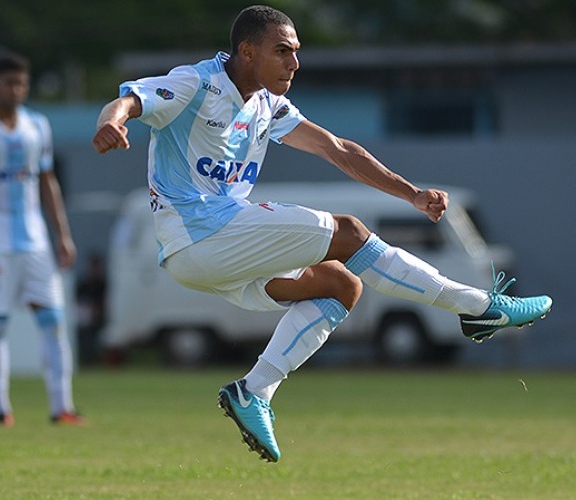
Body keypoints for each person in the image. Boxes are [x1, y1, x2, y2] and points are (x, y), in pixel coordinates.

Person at [92, 5, 551, 462]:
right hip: (200, 236)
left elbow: (338, 150)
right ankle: (477, 307)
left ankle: (254, 391)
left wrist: (411, 195)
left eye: (296, 51)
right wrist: (111, 123)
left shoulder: (267, 106)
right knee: (348, 232)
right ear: (247, 52)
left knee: (341, 285)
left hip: (209, 254)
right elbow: (131, 100)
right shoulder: (198, 83)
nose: (294, 62)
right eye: (282, 51)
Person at [0, 52, 83, 427]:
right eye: (9, 82)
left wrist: (63, 236)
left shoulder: (37, 126)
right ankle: (0, 409)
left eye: (21, 83)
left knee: (53, 322)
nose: (16, 89)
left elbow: (47, 181)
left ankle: (62, 407)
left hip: (34, 241)